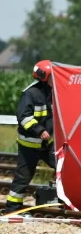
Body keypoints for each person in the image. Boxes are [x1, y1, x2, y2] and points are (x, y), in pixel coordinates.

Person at [3, 61, 55, 215]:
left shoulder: (52, 93)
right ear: (43, 77)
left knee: (62, 168)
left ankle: (66, 201)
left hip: (47, 144)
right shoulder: (30, 94)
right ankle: (12, 209)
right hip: (29, 146)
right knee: (23, 178)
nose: (55, 79)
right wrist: (39, 130)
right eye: (52, 76)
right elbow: (23, 117)